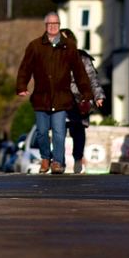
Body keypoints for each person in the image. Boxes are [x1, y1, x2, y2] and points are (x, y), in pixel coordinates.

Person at [16, 12, 94, 175]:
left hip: (61, 97)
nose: (52, 26)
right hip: (41, 97)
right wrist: (22, 86)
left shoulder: (69, 46)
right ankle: (46, 158)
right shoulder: (35, 46)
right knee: (42, 132)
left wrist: (86, 93)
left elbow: (80, 72)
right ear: (45, 26)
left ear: (59, 25)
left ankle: (57, 163)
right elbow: (25, 68)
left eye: (56, 24)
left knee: (59, 132)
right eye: (49, 24)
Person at [60, 28, 106, 174]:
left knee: (78, 131)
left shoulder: (82, 58)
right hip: (60, 100)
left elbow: (93, 79)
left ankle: (78, 159)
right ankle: (58, 161)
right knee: (58, 131)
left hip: (79, 101)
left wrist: (98, 96)